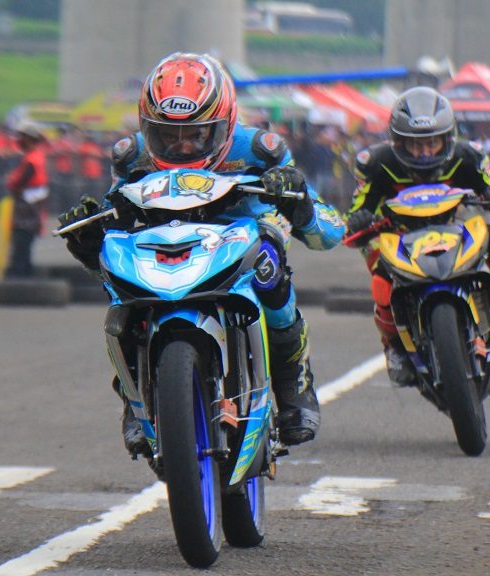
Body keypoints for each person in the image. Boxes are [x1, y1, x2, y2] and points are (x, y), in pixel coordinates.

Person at [57, 52, 345, 454]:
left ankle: (294, 385)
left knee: (269, 262)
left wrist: (299, 205)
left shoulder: (260, 150)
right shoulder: (131, 156)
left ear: (225, 123)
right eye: (167, 135)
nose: (182, 145)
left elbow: (330, 231)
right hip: (164, 240)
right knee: (119, 287)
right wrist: (91, 243)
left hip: (241, 234)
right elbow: (115, 222)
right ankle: (134, 399)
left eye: (196, 134)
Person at [345, 87, 490, 387]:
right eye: (415, 145)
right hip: (398, 235)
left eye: (432, 143)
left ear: (447, 139)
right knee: (380, 275)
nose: (424, 152)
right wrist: (358, 220)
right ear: (398, 142)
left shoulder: (468, 156)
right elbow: (355, 213)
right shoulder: (375, 163)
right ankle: (393, 346)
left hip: (456, 228)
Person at [5, 122, 49, 278]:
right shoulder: (34, 156)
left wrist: (12, 183)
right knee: (24, 243)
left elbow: (18, 182)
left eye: (21, 136)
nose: (18, 140)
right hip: (31, 205)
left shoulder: (32, 159)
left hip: (28, 206)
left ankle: (20, 275)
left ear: (29, 138)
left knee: (22, 242)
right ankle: (24, 273)